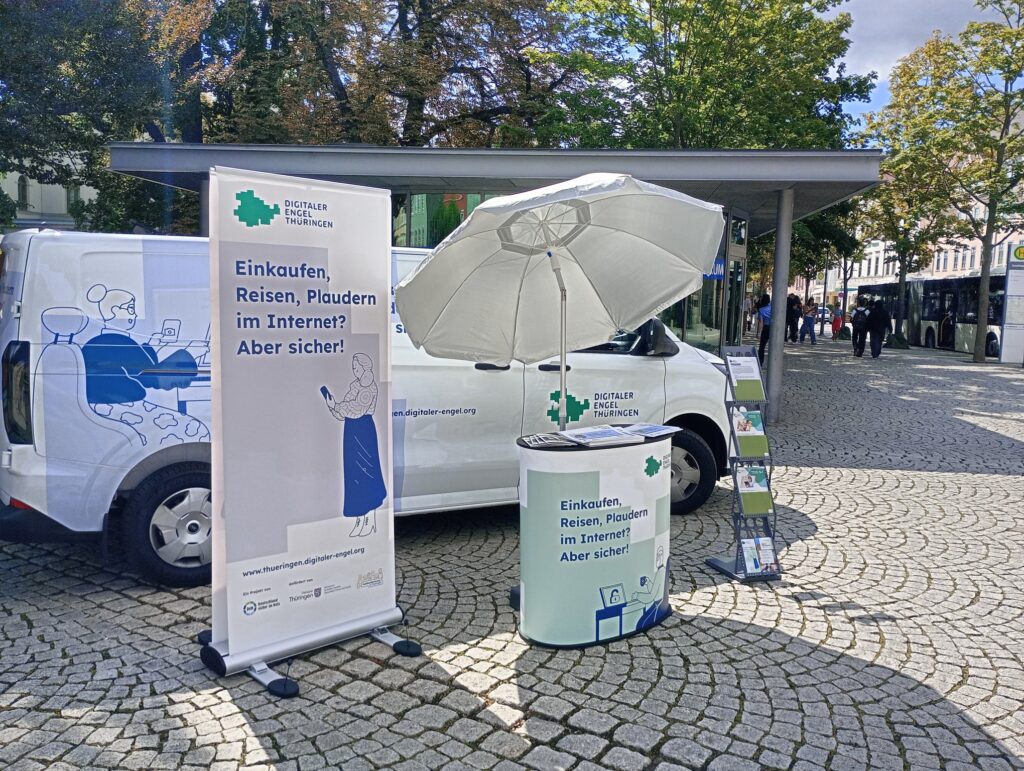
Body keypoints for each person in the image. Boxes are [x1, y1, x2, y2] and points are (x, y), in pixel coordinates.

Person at [322, 353, 387, 537]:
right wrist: (333, 406)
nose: (355, 371)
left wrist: (338, 406)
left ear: (365, 367)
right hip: (351, 431)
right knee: (354, 474)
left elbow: (356, 410)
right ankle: (360, 518)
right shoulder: (356, 386)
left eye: (357, 368)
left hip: (363, 431)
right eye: (354, 368)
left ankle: (370, 520)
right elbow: (344, 412)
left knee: (367, 472)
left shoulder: (368, 387)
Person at [756, 294, 771, 364]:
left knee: (762, 346)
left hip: (766, 328)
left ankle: (760, 362)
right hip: (775, 328)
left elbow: (761, 323)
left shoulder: (761, 310)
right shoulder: (772, 307)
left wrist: (758, 333)